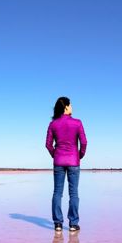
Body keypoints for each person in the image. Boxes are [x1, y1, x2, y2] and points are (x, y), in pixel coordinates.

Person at [45, 96, 87, 232]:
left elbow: (48, 144)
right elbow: (84, 142)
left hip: (58, 161)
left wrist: (54, 154)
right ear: (66, 107)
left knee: (57, 192)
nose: (72, 107)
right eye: (71, 105)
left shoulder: (53, 124)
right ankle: (73, 224)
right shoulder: (77, 122)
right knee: (73, 193)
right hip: (74, 161)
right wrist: (79, 155)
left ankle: (58, 224)